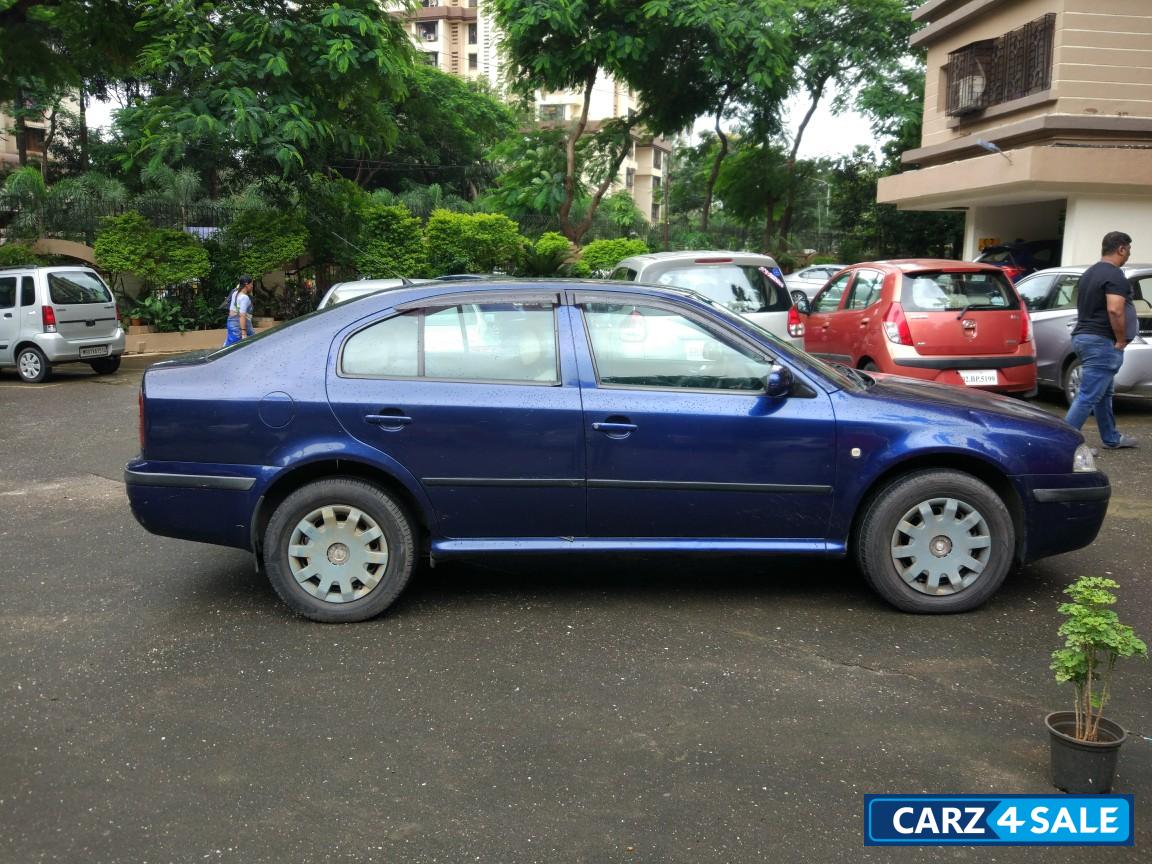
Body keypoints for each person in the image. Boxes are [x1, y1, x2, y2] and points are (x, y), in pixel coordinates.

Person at [1064, 231, 1138, 449]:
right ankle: (1064, 444)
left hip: (1084, 337)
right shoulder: (1114, 275)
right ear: (1121, 249)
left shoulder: (1089, 273)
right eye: (1128, 250)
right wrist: (1121, 339)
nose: (1128, 254)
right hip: (1101, 341)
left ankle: (1111, 437)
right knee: (1087, 396)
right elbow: (1115, 310)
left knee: (1104, 392)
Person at [223, 275, 256, 347]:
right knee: (253, 343)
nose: (252, 286)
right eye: (251, 284)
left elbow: (231, 311)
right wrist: (244, 333)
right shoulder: (244, 297)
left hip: (231, 323)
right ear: (247, 284)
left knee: (229, 345)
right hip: (239, 326)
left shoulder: (235, 293)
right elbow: (242, 315)